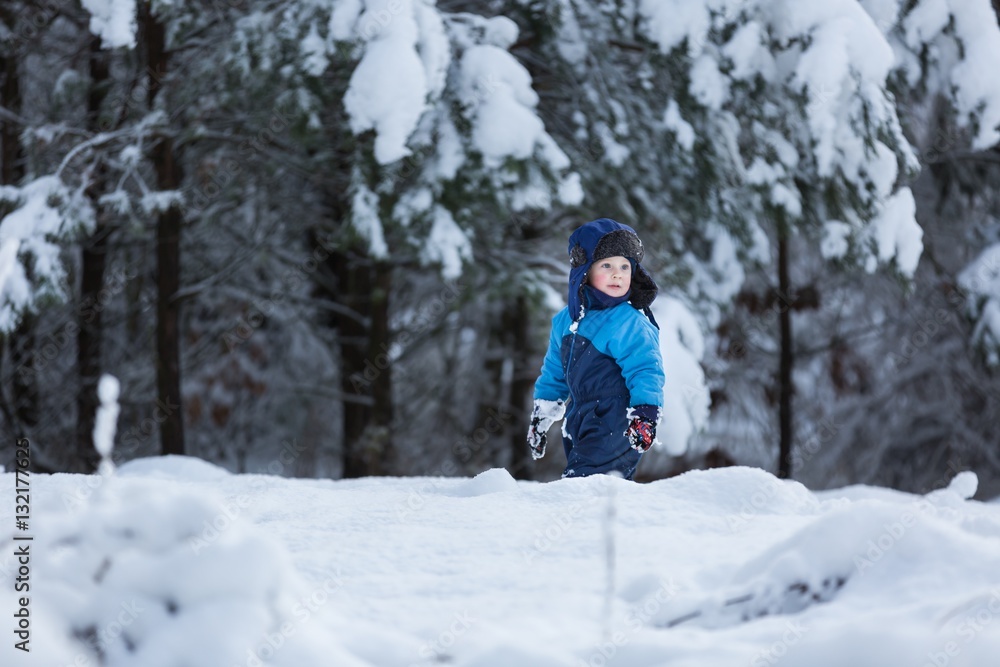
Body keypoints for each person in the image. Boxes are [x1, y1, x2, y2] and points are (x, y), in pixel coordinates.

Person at [527, 218, 664, 480]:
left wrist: (645, 414)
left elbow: (646, 368)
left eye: (625, 266)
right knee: (599, 489)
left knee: (583, 484)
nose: (617, 273)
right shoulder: (564, 321)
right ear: (585, 270)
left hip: (617, 419)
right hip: (580, 416)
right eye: (607, 265)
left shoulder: (629, 322)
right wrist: (542, 414)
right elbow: (555, 370)